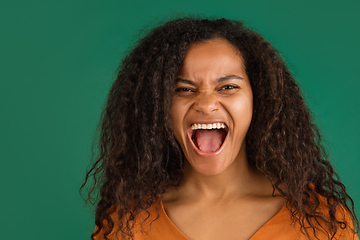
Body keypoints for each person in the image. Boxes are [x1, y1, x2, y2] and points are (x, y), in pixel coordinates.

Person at [81, 17, 359, 240]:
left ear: (258, 99)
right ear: (158, 106)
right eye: (184, 89)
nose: (206, 103)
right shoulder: (126, 227)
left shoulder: (322, 222)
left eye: (228, 87)